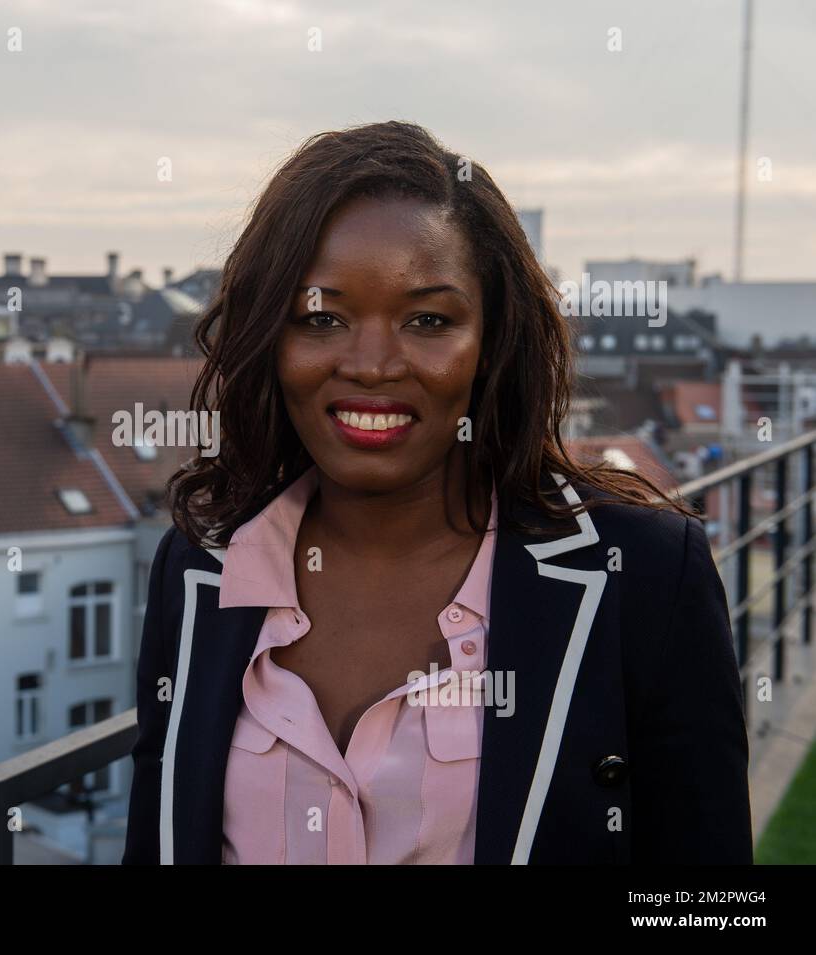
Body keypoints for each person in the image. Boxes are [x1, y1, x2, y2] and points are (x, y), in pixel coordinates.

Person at [122, 121, 751, 865]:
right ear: (270, 336)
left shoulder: (643, 573)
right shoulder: (197, 569)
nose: (374, 364)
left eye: (428, 319)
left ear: (491, 341)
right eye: (322, 317)